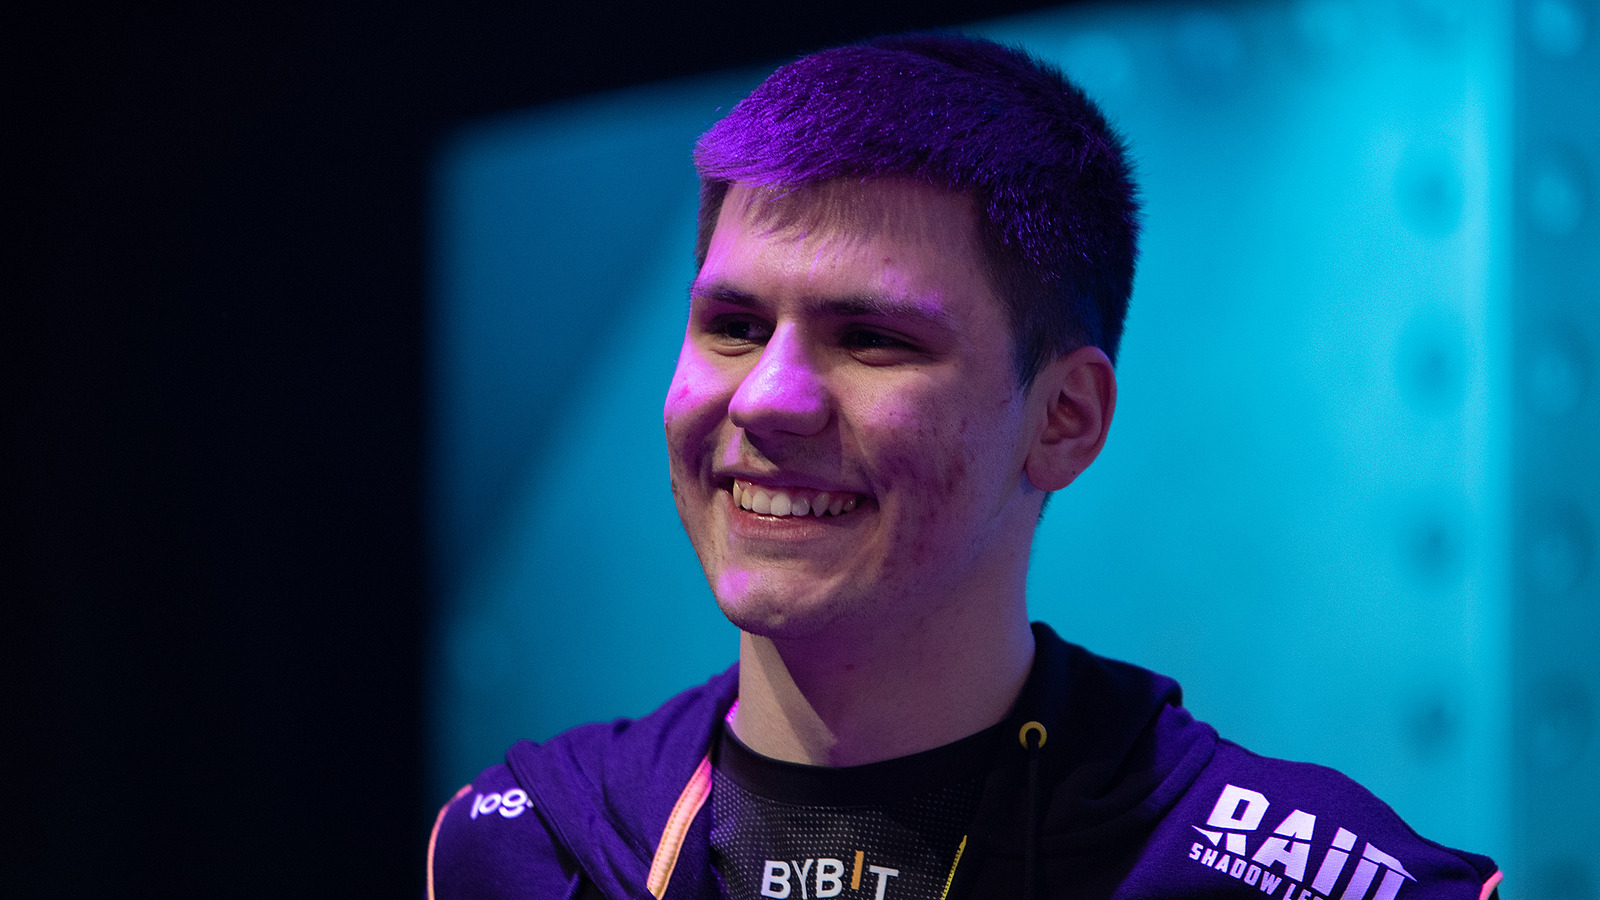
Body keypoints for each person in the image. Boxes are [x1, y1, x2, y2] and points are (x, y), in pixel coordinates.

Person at [427, 32, 1502, 900]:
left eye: (871, 339)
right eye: (734, 327)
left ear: (1064, 420)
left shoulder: (1299, 880)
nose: (765, 399)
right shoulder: (517, 853)